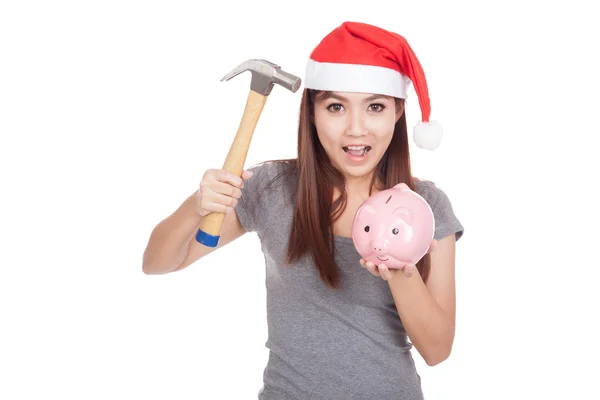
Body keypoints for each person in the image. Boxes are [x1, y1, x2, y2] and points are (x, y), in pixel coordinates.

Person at [142, 21, 464, 400]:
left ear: (397, 112)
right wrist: (194, 208)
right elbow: (157, 262)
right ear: (311, 112)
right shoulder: (271, 188)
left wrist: (400, 275)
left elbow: (438, 351)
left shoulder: (426, 206)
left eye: (375, 107)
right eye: (336, 107)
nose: (356, 129)